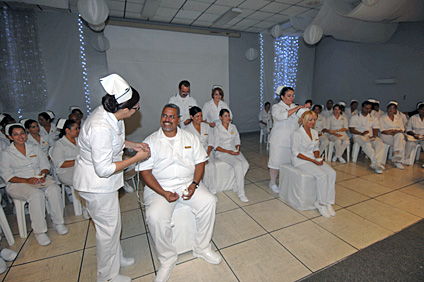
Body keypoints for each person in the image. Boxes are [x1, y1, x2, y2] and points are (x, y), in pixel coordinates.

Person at [73, 74, 151, 282]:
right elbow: (104, 169)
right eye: (136, 108)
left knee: (113, 225)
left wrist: (132, 145)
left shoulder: (111, 115)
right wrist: (137, 159)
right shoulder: (100, 126)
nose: (136, 112)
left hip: (104, 184)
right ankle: (107, 276)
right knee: (107, 231)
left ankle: (116, 258)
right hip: (96, 185)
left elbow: (115, 140)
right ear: (125, 109)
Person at [137, 104, 222, 282]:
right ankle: (167, 259)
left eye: (171, 116)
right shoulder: (150, 141)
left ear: (178, 119)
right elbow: (145, 172)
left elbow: (200, 163)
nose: (167, 119)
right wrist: (164, 193)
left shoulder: (189, 137)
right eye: (164, 116)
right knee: (154, 215)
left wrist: (194, 184)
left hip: (186, 183)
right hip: (160, 187)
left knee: (209, 201)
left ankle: (202, 247)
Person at [0, 123, 67, 246]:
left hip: (38, 179)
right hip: (18, 183)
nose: (20, 137)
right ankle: (40, 232)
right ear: (10, 137)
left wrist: (43, 174)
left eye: (22, 133)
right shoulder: (6, 153)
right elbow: (7, 176)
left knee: (54, 189)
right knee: (36, 195)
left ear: (26, 134)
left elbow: (45, 165)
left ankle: (58, 223)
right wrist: (27, 181)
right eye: (16, 134)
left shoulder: (34, 147)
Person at [291, 110, 336, 218]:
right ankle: (321, 203)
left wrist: (317, 157)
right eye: (310, 119)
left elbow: (316, 148)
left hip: (312, 158)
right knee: (322, 175)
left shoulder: (314, 132)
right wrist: (313, 161)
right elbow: (295, 152)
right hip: (300, 160)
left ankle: (329, 201)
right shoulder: (297, 134)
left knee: (332, 173)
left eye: (314, 120)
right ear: (303, 120)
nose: (312, 122)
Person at [268, 86, 305, 193]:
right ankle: (272, 183)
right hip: (279, 140)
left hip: (292, 140)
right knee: (275, 163)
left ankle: (285, 182)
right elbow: (280, 116)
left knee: (288, 163)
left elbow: (303, 118)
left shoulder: (295, 106)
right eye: (289, 96)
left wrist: (305, 109)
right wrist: (297, 109)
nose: (291, 98)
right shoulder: (276, 107)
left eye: (293, 96)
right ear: (282, 96)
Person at [50, 119, 88, 218]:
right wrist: (78, 161)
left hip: (80, 168)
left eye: (78, 128)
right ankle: (85, 208)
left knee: (91, 176)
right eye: (76, 129)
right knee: (82, 179)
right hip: (66, 172)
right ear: (67, 130)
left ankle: (92, 205)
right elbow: (60, 164)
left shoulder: (78, 140)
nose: (78, 130)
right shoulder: (59, 145)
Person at [214, 109, 249, 202]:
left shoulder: (233, 127)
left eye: (228, 115)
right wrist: (229, 152)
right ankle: (241, 193)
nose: (227, 118)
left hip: (234, 150)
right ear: (220, 117)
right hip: (223, 152)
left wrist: (237, 149)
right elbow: (216, 146)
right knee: (238, 164)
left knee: (246, 164)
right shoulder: (217, 129)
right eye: (225, 116)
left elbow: (237, 140)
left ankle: (235, 185)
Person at [185, 106, 216, 193]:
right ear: (191, 117)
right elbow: (189, 147)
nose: (200, 118)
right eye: (197, 116)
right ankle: (205, 191)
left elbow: (211, 141)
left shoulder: (206, 126)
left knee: (211, 166)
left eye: (201, 116)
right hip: (196, 154)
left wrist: (208, 152)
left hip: (207, 152)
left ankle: (213, 190)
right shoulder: (187, 130)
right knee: (204, 168)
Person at [349, 101, 385, 173]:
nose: (368, 110)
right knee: (366, 144)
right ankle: (376, 163)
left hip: (370, 136)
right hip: (358, 135)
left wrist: (374, 136)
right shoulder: (355, 117)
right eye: (366, 108)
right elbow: (351, 129)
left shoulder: (373, 118)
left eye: (369, 109)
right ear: (362, 108)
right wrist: (361, 133)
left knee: (380, 143)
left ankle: (376, 163)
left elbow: (376, 129)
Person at [379, 101, 406, 169]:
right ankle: (397, 160)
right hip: (386, 136)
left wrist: (396, 132)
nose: (391, 110)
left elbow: (402, 129)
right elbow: (382, 130)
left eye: (393, 108)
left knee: (400, 137)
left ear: (395, 110)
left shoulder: (398, 118)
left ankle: (396, 156)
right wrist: (392, 132)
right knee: (402, 141)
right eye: (390, 108)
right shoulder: (382, 118)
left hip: (396, 135)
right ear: (387, 109)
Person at [405, 102, 424, 166]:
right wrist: (414, 135)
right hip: (414, 136)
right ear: (418, 110)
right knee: (410, 143)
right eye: (422, 109)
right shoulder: (413, 118)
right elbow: (408, 129)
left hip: (423, 138)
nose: (423, 111)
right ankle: (406, 159)